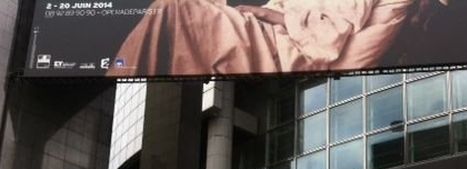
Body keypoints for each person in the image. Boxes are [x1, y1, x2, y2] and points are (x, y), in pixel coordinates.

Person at [108, 0, 421, 77]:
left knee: (174, 11)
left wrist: (275, 17)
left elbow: (328, 39)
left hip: (280, 51)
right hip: (269, 37)